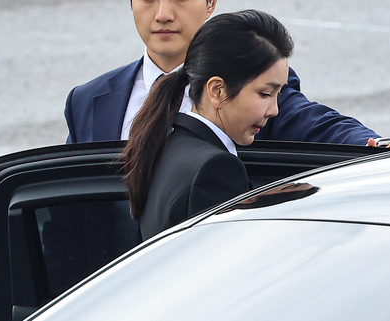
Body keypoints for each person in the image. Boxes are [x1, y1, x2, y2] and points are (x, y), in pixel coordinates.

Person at [64, 0, 390, 149]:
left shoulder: (251, 82)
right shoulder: (88, 101)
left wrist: (376, 146)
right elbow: (67, 217)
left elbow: (314, 123)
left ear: (210, 3)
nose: (162, 14)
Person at [124, 9, 293, 240]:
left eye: (278, 94)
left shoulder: (167, 144)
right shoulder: (216, 168)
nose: (274, 110)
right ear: (217, 90)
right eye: (265, 93)